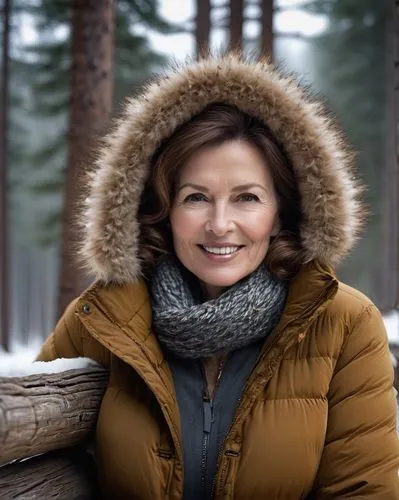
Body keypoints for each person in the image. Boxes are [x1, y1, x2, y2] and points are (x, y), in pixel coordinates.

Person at [36, 53, 399, 499]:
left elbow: (365, 490)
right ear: (162, 209)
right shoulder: (102, 320)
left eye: (246, 198)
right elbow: (40, 461)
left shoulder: (345, 324)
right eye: (196, 198)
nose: (220, 224)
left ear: (282, 211)